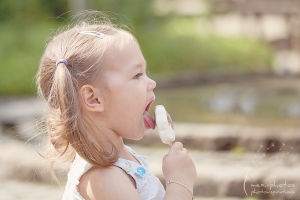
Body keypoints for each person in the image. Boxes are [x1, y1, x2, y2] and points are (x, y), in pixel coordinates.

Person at [36, 12, 197, 200]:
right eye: (137, 75)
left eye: (146, 72)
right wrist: (180, 183)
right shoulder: (104, 178)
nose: (151, 82)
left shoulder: (120, 158)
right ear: (94, 99)